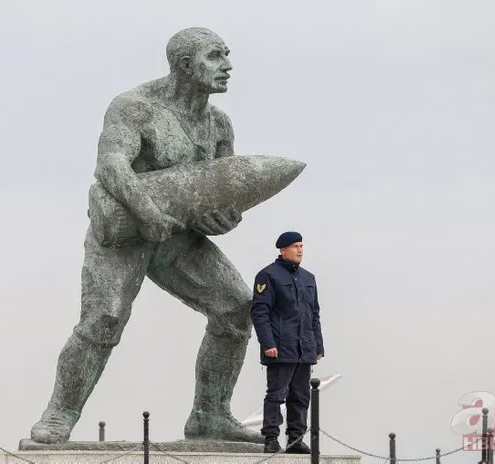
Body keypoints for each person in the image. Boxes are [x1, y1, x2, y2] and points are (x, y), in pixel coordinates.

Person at [30, 27, 264, 444]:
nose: (227, 66)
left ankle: (209, 414)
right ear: (186, 65)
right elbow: (111, 165)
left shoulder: (219, 126)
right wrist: (147, 210)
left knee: (235, 307)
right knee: (104, 318)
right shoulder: (135, 107)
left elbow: (226, 191)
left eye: (227, 55)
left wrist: (227, 218)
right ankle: (59, 413)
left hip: (179, 240)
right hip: (123, 235)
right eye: (215, 57)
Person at [250, 231, 325, 453]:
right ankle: (271, 438)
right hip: (280, 347)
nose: (300, 250)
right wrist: (268, 343)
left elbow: (314, 315)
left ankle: (295, 440)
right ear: (282, 250)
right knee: (276, 395)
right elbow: (260, 313)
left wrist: (318, 346)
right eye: (295, 246)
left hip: (304, 348)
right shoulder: (268, 276)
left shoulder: (308, 278)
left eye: (301, 245)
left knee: (300, 397)